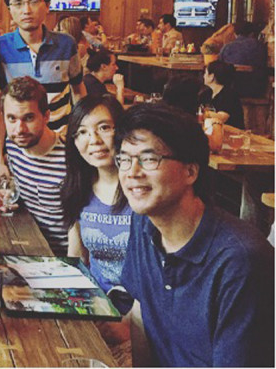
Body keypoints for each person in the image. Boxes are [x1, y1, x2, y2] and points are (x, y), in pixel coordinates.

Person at [116, 103, 274, 367]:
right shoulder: (144, 223)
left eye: (149, 159)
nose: (132, 172)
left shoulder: (241, 261)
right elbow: (141, 313)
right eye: (124, 159)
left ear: (190, 171)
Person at [0, 0, 86, 181]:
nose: (26, 10)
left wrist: (80, 133)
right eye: (18, 3)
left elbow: (79, 90)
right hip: (18, 148)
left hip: (62, 144)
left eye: (34, 1)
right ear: (10, 10)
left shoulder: (66, 44)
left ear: (47, 6)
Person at [0, 76, 69, 254]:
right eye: (12, 119)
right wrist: (10, 195)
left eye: (28, 118)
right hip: (27, 243)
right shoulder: (14, 145)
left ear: (46, 116)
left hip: (60, 256)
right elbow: (28, 191)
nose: (20, 129)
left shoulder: (69, 156)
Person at [62, 96, 130, 293]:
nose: (94, 141)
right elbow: (77, 257)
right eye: (82, 132)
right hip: (99, 299)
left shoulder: (141, 189)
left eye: (104, 128)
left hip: (141, 304)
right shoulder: (77, 188)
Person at [219, 20, 268, 97]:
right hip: (255, 89)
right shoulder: (260, 46)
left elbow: (220, 65)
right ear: (252, 33)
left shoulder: (226, 47)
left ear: (235, 34)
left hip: (230, 89)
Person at [199, 60, 244, 129]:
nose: (204, 76)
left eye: (205, 73)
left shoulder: (229, 95)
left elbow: (222, 118)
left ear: (212, 77)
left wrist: (203, 113)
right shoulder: (206, 94)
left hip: (231, 133)